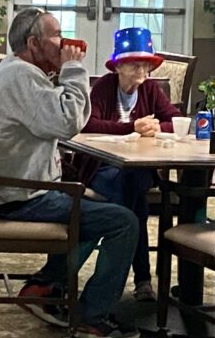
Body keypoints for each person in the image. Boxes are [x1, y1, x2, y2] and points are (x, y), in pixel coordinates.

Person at [0, 7, 140, 338]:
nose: (65, 43)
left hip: (3, 189)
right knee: (123, 221)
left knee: (95, 208)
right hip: (17, 197)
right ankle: (91, 318)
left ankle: (46, 285)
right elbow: (66, 122)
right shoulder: (22, 76)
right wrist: (74, 69)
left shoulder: (9, 71)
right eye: (57, 36)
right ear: (33, 43)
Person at [75, 27, 179, 302]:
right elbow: (89, 124)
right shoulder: (104, 88)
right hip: (103, 167)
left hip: (140, 169)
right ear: (119, 66)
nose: (142, 71)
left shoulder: (151, 90)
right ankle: (142, 279)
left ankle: (65, 275)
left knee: (131, 191)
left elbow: (176, 119)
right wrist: (130, 127)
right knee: (135, 206)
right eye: (135, 64)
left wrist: (157, 126)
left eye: (146, 64)